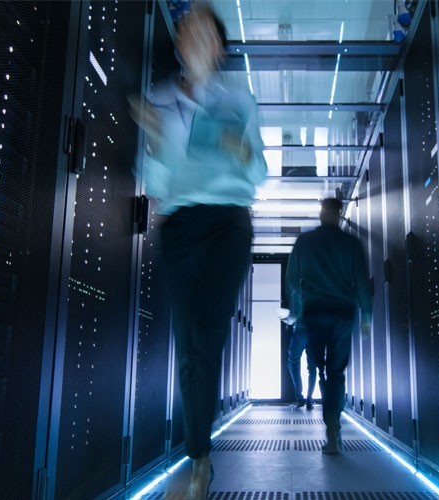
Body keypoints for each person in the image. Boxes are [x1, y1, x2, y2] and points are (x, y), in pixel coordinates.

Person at [130, 3, 267, 499]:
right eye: (188, 29)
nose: (194, 36)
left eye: (205, 31)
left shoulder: (240, 100)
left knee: (207, 333)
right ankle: (200, 458)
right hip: (181, 224)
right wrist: (153, 142)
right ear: (179, 42)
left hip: (229, 222)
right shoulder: (161, 98)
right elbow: (160, 181)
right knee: (189, 340)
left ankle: (198, 460)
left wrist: (243, 152)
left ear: (221, 47)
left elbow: (259, 175)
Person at [285, 198, 372, 455]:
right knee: (337, 371)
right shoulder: (352, 244)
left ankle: (330, 423)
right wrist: (366, 315)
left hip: (314, 314)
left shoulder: (305, 243)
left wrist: (297, 312)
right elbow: (362, 282)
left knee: (320, 369)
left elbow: (291, 280)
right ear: (340, 213)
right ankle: (334, 422)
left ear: (321, 213)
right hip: (343, 314)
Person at [285, 293, 319, 410]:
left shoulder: (297, 294)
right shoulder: (319, 290)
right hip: (315, 333)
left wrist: (285, 319)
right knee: (312, 367)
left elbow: (294, 317)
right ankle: (309, 399)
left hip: (300, 331)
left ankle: (300, 398)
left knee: (293, 363)